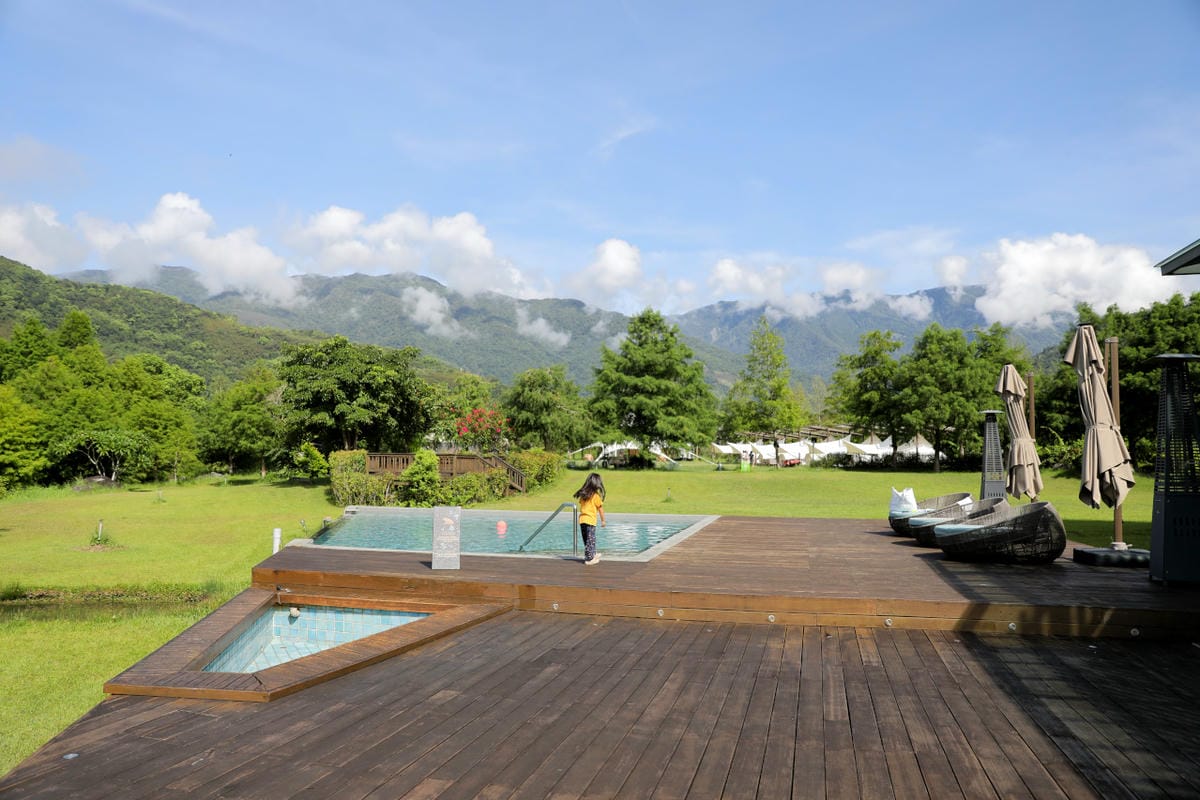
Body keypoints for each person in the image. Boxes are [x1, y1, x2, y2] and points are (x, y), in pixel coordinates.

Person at [573, 472, 606, 565]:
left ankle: (592, 554)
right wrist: (603, 520)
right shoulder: (595, 496)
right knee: (591, 539)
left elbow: (582, 505)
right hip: (590, 520)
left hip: (582, 520)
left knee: (587, 539)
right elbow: (600, 509)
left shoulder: (584, 495)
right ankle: (589, 559)